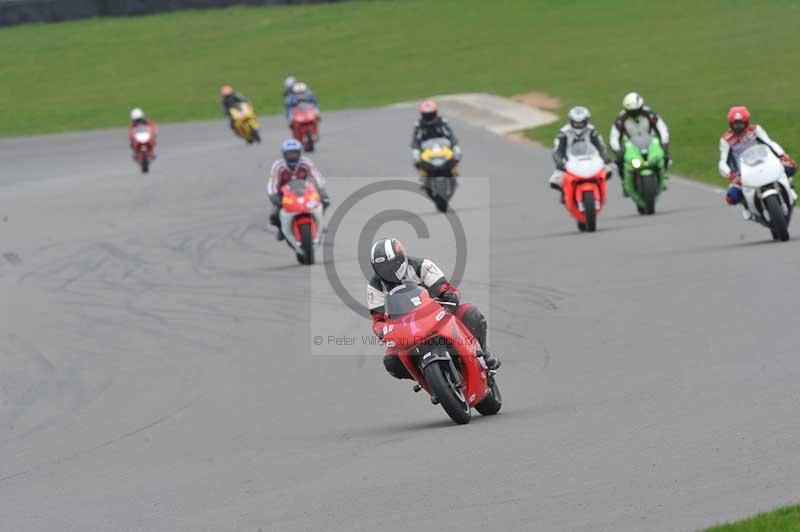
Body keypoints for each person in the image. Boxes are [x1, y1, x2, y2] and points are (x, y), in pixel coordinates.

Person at [366, 238, 500, 380]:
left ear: (400, 260)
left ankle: (483, 352)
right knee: (391, 361)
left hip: (437, 316)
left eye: (390, 266)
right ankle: (427, 378)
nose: (387, 272)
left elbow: (445, 289)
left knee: (471, 313)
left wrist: (449, 295)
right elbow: (378, 320)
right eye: (382, 269)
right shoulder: (374, 287)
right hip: (406, 331)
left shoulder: (422, 266)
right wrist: (383, 332)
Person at [719, 106, 798, 211]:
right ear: (730, 124)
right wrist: (730, 174)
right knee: (731, 197)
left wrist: (782, 155)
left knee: (792, 166)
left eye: (741, 124)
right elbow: (723, 161)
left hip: (765, 161)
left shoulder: (755, 130)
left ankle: (788, 187)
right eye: (735, 124)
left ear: (747, 122)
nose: (738, 127)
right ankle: (748, 206)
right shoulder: (726, 139)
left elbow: (769, 142)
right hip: (743, 171)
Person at [267, 139, 330, 240]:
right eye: (289, 154)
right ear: (284, 154)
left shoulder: (306, 162)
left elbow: (317, 176)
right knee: (274, 216)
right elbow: (272, 183)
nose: (292, 156)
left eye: (295, 153)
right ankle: (282, 229)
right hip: (284, 195)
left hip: (305, 191)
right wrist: (274, 197)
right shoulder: (278, 166)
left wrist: (322, 191)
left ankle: (319, 223)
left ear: (299, 153)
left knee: (324, 202)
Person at [609, 92, 671, 195]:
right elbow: (613, 136)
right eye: (631, 112)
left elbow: (662, 128)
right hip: (630, 146)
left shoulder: (650, 114)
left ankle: (661, 177)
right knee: (619, 161)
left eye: (637, 111)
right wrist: (617, 150)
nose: (634, 114)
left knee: (665, 157)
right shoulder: (621, 119)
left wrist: (664, 144)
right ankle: (625, 182)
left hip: (650, 142)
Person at [549, 106, 613, 193]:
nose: (578, 125)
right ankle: (565, 192)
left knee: (609, 170)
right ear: (571, 121)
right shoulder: (563, 133)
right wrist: (559, 160)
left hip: (591, 159)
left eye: (581, 123)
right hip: (569, 162)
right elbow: (557, 150)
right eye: (576, 123)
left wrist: (605, 155)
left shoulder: (592, 131)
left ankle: (600, 189)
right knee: (555, 181)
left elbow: (601, 145)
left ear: (586, 121)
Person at [411, 100, 461, 168]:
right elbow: (416, 140)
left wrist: (455, 146)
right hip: (427, 153)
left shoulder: (442, 122)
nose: (429, 117)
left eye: (431, 114)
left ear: (435, 113)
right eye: (426, 115)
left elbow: (450, 135)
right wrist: (415, 152)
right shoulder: (419, 125)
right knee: (422, 167)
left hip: (443, 151)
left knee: (452, 165)